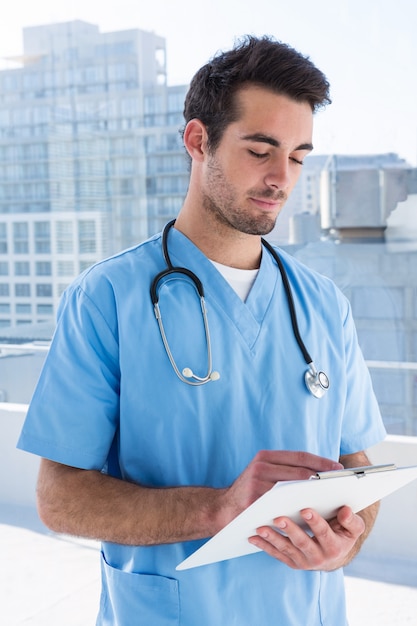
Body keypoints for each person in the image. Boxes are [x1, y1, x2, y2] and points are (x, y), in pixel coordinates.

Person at [18, 35, 386, 625]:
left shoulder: (324, 305)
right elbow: (60, 500)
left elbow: (357, 471)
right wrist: (220, 510)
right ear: (198, 141)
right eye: (260, 150)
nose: (280, 178)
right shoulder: (109, 297)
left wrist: (347, 540)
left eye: (297, 156)